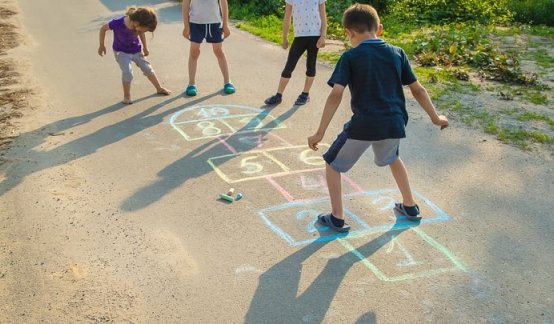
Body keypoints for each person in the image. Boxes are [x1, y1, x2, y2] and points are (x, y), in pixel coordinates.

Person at [307, 4, 449, 232]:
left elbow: (336, 94)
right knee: (393, 157)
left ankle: (336, 216)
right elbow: (418, 90)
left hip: (364, 125)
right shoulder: (397, 53)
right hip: (394, 123)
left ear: (349, 32)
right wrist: (435, 117)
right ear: (379, 29)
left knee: (332, 164)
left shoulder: (350, 56)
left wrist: (320, 132)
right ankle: (410, 206)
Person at [98, 6, 170, 104]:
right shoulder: (118, 23)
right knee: (128, 72)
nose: (144, 31)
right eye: (144, 29)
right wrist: (102, 45)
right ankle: (126, 96)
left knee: (147, 68)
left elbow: (141, 34)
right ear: (136, 22)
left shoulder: (139, 25)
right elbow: (103, 28)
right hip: (121, 51)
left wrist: (145, 47)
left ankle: (159, 88)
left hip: (136, 49)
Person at [264, 0, 327, 106]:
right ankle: (278, 95)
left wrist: (323, 36)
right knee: (289, 66)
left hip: (315, 36)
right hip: (299, 36)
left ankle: (305, 94)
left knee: (311, 66)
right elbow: (287, 18)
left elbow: (323, 17)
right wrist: (284, 37)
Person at [182, 0, 235, 96]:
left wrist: (225, 25)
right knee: (194, 52)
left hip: (215, 23)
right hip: (195, 23)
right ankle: (191, 83)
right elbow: (185, 4)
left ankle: (227, 81)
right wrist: (186, 26)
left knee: (219, 51)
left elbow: (223, 3)